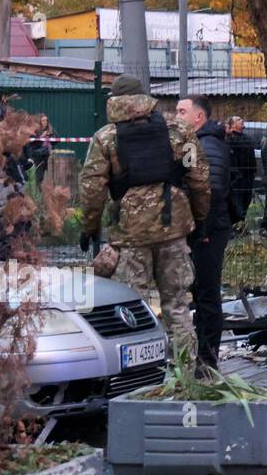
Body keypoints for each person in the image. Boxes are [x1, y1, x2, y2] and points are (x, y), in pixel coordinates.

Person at [78, 74, 211, 359]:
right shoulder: (180, 130)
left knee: (131, 308)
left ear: (113, 100)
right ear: (144, 97)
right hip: (173, 231)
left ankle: (138, 377)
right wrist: (199, 220)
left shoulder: (105, 137)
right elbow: (199, 178)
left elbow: (92, 189)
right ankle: (184, 377)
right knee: (177, 305)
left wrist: (88, 228)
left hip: (129, 238)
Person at [176, 95, 232, 370]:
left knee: (207, 294)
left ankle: (207, 360)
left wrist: (204, 228)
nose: (177, 115)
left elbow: (215, 189)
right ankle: (199, 355)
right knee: (198, 292)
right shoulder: (193, 144)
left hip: (208, 231)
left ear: (199, 117)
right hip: (199, 229)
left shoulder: (209, 146)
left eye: (182, 111)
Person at [224, 115, 257, 226]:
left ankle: (241, 225)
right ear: (232, 125)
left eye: (241, 119)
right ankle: (235, 226)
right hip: (236, 178)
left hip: (248, 177)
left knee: (246, 201)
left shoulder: (247, 138)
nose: (242, 120)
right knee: (235, 202)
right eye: (238, 120)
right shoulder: (229, 139)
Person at [21, 115, 53, 183]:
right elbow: (32, 142)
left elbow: (57, 139)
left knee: (42, 173)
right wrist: (42, 136)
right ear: (40, 122)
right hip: (37, 153)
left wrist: (50, 136)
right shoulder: (36, 130)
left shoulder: (50, 129)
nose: (45, 122)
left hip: (46, 153)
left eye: (46, 120)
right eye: (43, 120)